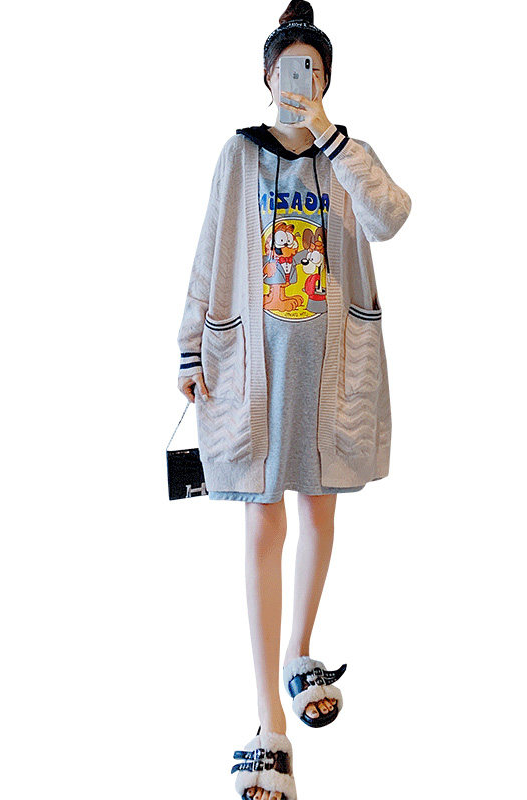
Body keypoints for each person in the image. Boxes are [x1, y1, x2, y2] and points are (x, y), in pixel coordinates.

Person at [176, 2, 411, 797]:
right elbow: (211, 250)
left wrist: (333, 137)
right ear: (267, 76)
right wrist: (190, 346)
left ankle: (298, 654)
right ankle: (267, 723)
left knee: (319, 509)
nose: (298, 79)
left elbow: (391, 218)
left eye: (312, 68)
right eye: (288, 67)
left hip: (330, 369)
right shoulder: (239, 156)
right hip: (254, 369)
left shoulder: (348, 156)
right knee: (261, 521)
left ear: (326, 80)